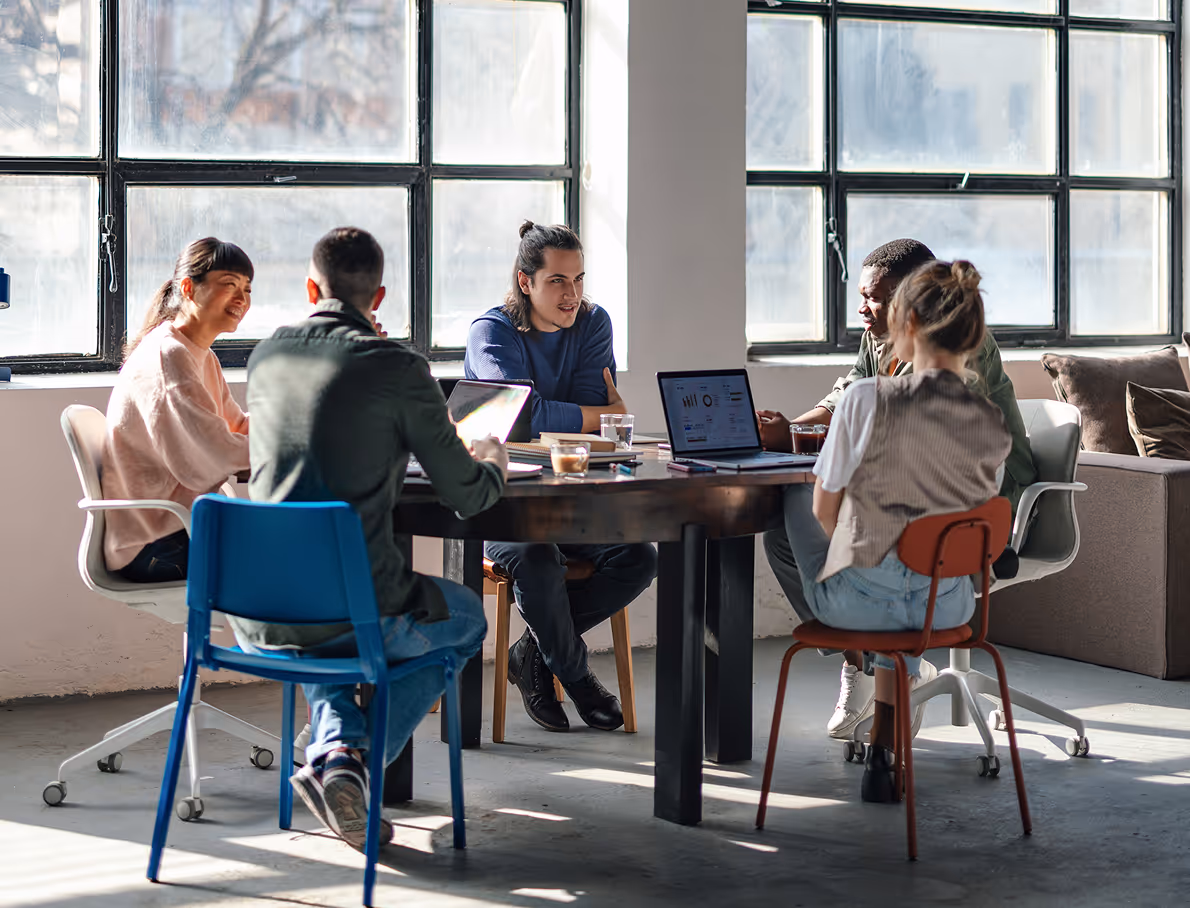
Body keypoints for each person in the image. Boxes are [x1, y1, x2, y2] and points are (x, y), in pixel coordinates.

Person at [237, 227, 507, 848]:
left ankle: (335, 754)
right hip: (352, 606)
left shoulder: (267, 356)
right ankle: (348, 763)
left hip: (261, 604)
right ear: (379, 296)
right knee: (466, 619)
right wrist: (489, 459)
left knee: (329, 628)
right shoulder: (398, 368)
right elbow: (467, 496)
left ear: (311, 287)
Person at [758, 239, 1036, 743]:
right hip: (952, 595)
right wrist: (792, 431)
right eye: (860, 295)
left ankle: (882, 665)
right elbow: (851, 390)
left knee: (798, 505)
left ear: (912, 306)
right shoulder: (881, 343)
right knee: (787, 533)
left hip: (971, 514)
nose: (863, 309)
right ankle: (867, 664)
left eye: (876, 298)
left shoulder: (956, 348)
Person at [464, 221, 657, 734]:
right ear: (526, 282)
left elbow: (558, 413)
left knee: (638, 556)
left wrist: (571, 412)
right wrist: (594, 414)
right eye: (557, 281)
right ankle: (576, 680)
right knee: (536, 557)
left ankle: (533, 653)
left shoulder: (593, 323)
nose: (572, 295)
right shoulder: (492, 332)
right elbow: (524, 417)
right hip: (499, 505)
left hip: (570, 502)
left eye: (578, 280)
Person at [101, 237, 254, 582]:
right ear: (188, 287)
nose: (241, 298)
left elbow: (236, 427)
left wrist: (295, 429)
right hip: (156, 544)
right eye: (229, 285)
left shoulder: (199, 354)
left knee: (304, 542)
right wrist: (297, 447)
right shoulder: (169, 356)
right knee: (306, 546)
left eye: (247, 288)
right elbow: (213, 455)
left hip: (178, 529)